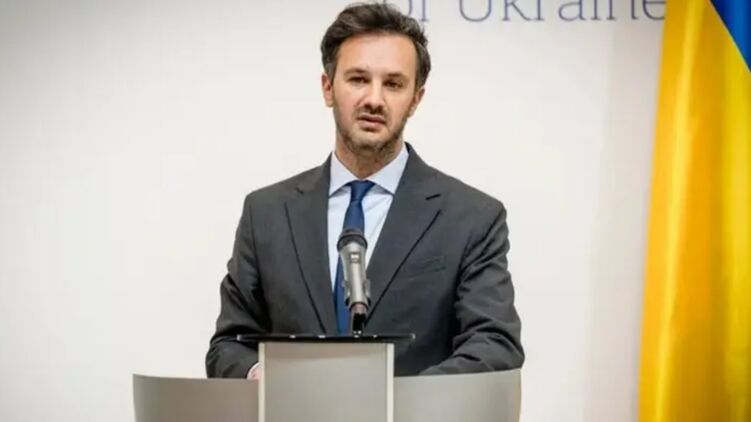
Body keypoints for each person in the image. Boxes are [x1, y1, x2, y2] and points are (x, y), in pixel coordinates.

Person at [206, 2, 524, 379]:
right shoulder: (267, 213)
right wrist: (265, 376)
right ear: (328, 88)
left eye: (393, 84)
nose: (374, 99)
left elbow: (493, 344)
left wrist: (395, 401)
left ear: (416, 99)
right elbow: (228, 346)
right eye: (358, 79)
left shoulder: (471, 218)